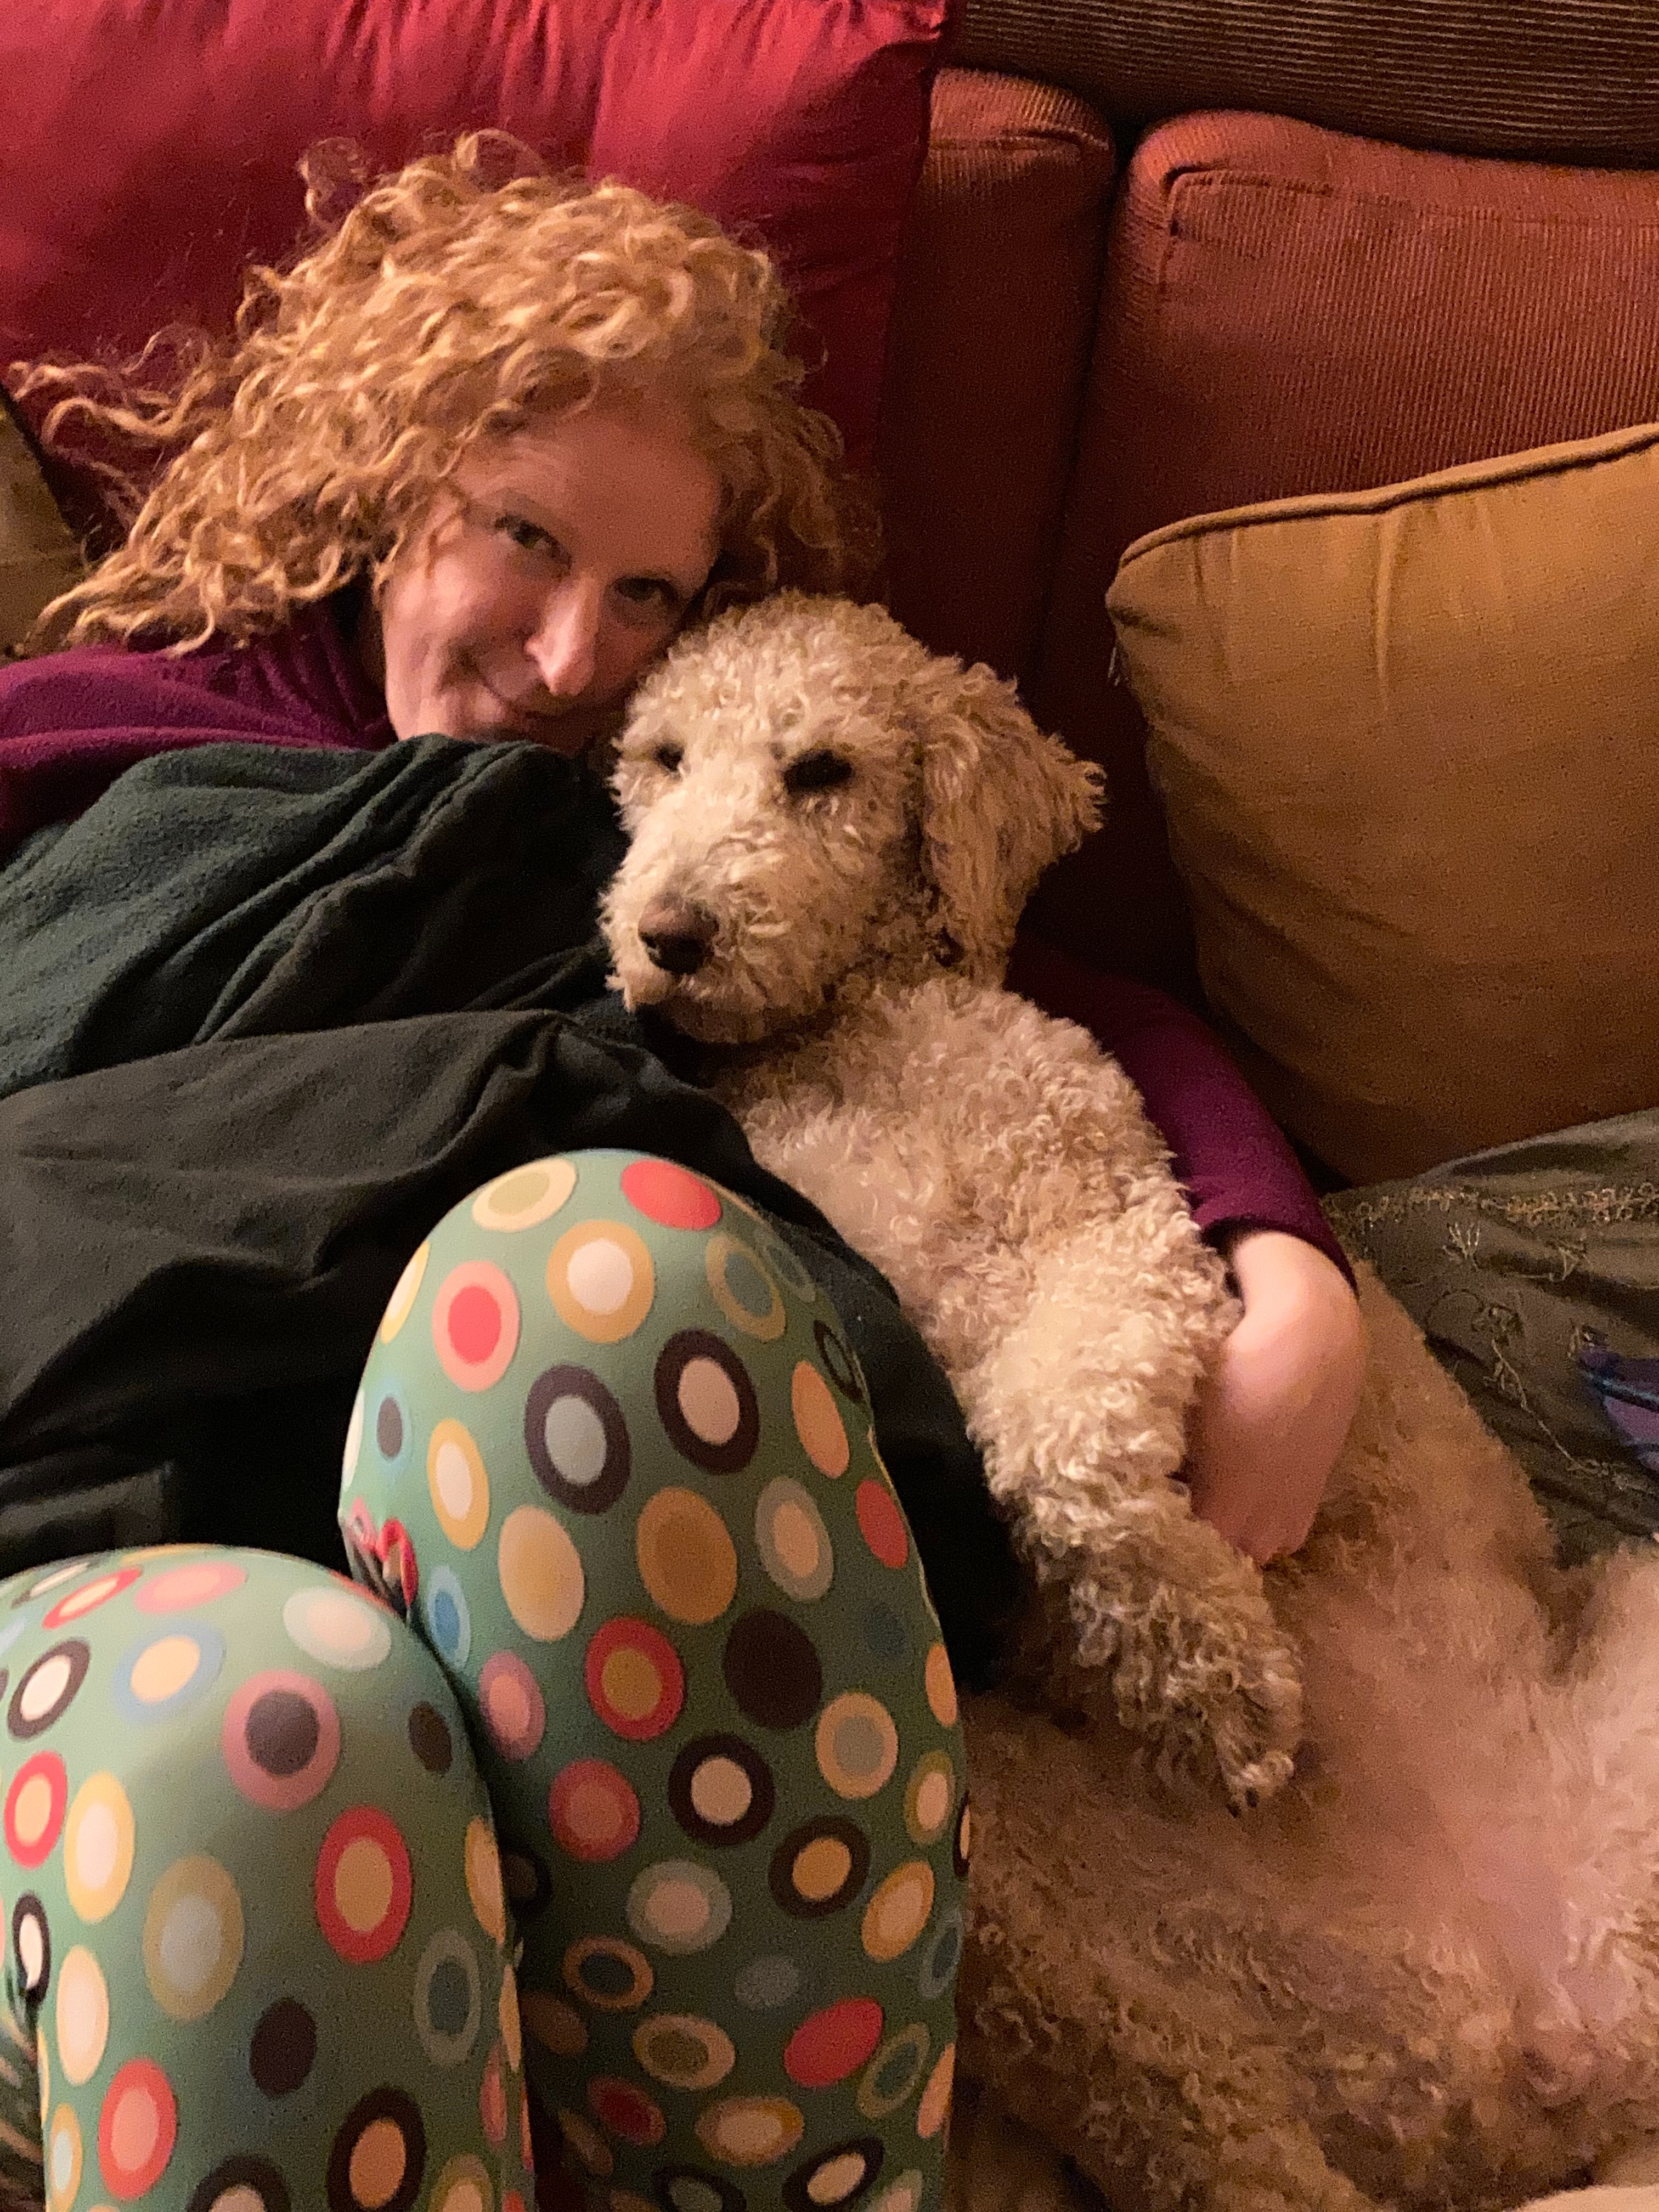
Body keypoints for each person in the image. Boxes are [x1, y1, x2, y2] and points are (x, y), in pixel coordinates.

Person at [0, 133, 1363, 2207]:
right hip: (93, 1557)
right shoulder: (83, 739)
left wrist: (1286, 1264)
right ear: (388, 476)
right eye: (524, 541)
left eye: (645, 594)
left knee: (603, 1270)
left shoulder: (653, 844)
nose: (571, 656)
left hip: (578, 1601)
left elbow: (1036, 992)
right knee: (276, 1727)